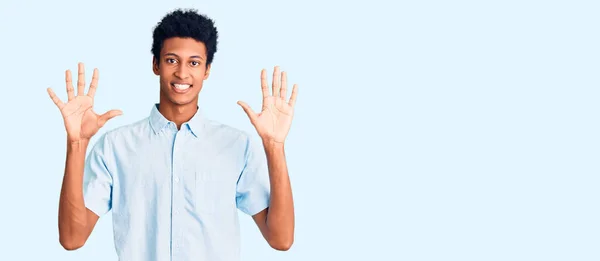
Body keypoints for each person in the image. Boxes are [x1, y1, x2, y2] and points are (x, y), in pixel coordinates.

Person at [46, 8, 298, 261]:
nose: (182, 73)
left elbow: (281, 238)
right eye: (171, 60)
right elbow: (72, 238)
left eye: (194, 63)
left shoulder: (236, 145)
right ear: (156, 64)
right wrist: (76, 143)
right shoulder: (115, 146)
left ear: (207, 70)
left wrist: (274, 146)